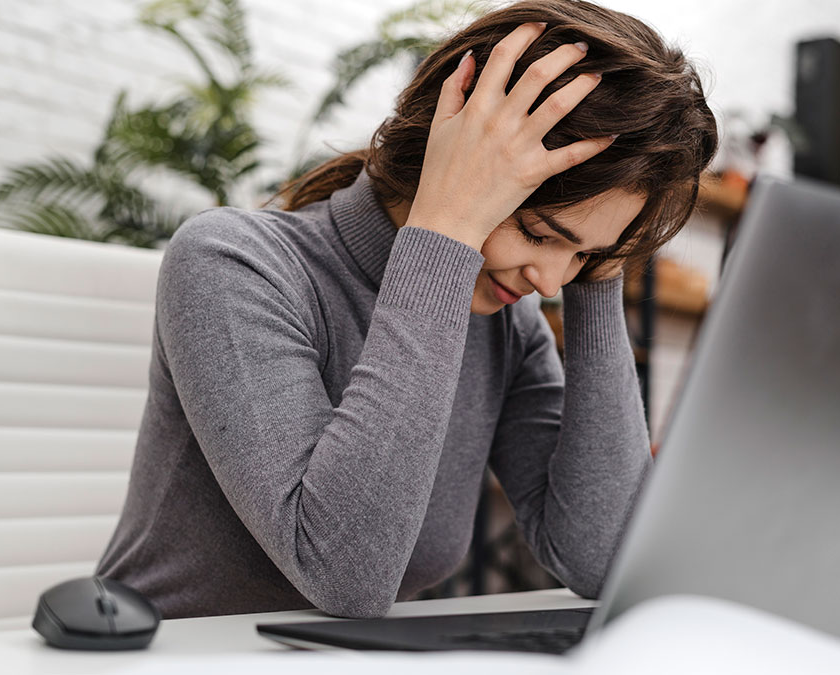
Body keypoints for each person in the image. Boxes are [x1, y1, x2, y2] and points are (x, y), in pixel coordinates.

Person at [96, 0, 717, 620]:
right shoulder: (234, 262)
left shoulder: (507, 327)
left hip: (349, 661)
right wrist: (446, 228)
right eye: (537, 233)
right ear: (448, 164)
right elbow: (343, 575)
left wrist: (602, 273)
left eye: (584, 255)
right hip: (175, 651)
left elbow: (603, 561)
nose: (550, 281)